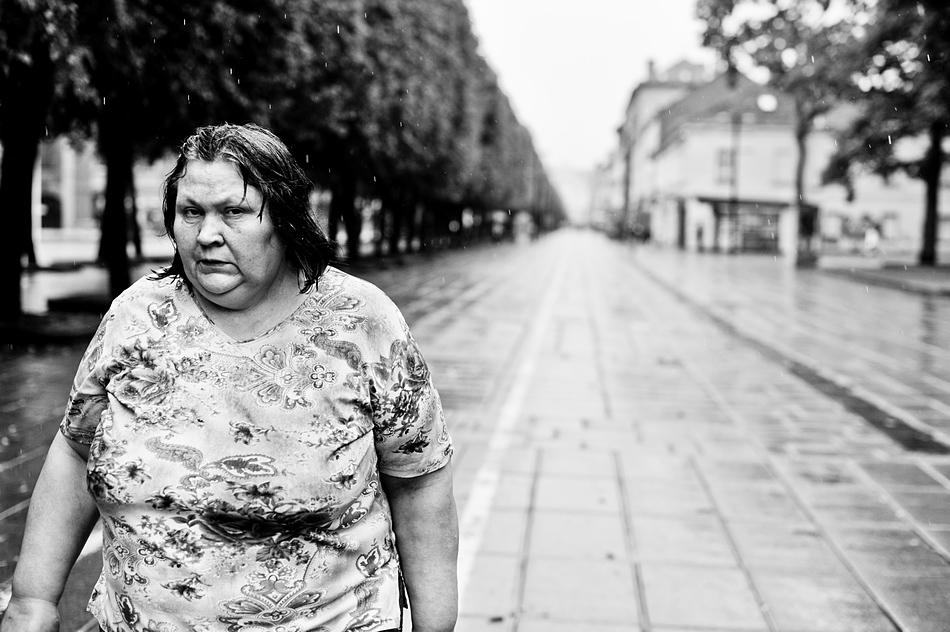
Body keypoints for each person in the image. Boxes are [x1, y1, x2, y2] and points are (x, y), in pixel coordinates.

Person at [1, 123, 458, 632]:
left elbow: (420, 483)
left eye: (234, 212)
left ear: (284, 218)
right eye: (191, 212)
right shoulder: (136, 316)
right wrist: (33, 599)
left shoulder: (363, 322)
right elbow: (76, 448)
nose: (206, 235)